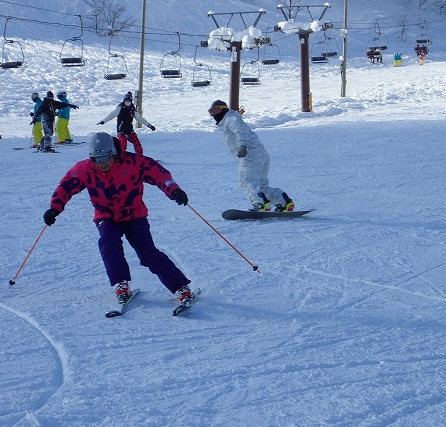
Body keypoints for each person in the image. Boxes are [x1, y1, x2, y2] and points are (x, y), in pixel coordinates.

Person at [42, 132, 196, 308]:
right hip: (106, 217)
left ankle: (181, 288)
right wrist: (54, 208)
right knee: (109, 245)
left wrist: (174, 190)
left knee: (148, 254)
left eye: (105, 158)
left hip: (134, 215)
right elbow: (66, 187)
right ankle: (121, 284)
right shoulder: (85, 168)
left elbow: (159, 174)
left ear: (113, 153)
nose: (101, 163)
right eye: (96, 159)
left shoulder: (134, 162)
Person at [208, 99, 294, 212]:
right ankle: (283, 201)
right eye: (211, 112)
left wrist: (242, 145)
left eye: (215, 110)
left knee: (247, 182)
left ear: (223, 109)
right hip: (260, 153)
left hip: (250, 153)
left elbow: (241, 131)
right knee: (261, 186)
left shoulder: (231, 119)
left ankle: (260, 203)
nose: (213, 114)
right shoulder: (231, 119)